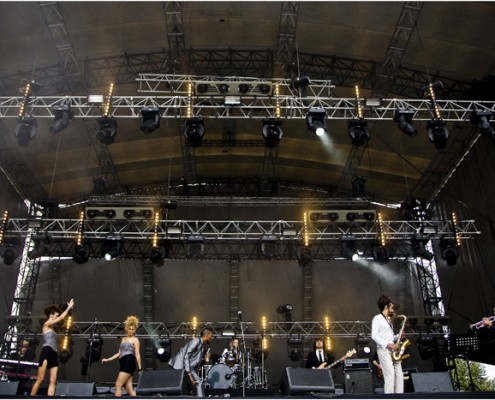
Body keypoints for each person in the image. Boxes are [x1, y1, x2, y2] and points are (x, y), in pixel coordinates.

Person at [30, 299, 75, 396]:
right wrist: (68, 308)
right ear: (51, 315)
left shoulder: (53, 328)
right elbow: (61, 318)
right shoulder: (46, 325)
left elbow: (61, 320)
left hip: (54, 353)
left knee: (53, 379)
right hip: (46, 351)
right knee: (40, 378)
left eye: (57, 315)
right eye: (55, 314)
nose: (56, 316)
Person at [101, 315, 142, 397]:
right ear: (127, 328)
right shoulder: (123, 339)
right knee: (129, 389)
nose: (131, 331)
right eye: (129, 329)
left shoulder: (135, 340)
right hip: (123, 363)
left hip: (129, 363)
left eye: (133, 329)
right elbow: (119, 353)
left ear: (135, 330)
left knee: (118, 385)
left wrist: (140, 369)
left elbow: (137, 354)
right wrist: (107, 359)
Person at [371, 294, 404, 394]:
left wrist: (398, 336)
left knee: (399, 374)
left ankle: (399, 396)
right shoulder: (377, 318)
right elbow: (374, 335)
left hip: (393, 350)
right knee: (390, 375)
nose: (393, 309)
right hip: (384, 350)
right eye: (392, 307)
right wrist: (389, 345)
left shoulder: (389, 321)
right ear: (386, 307)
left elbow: (389, 337)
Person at [168, 327, 214, 397]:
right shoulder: (196, 341)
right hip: (180, 365)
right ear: (207, 335)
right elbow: (186, 356)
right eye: (211, 335)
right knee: (179, 386)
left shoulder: (202, 346)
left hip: (187, 366)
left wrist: (205, 359)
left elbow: (197, 363)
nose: (212, 338)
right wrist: (190, 375)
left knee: (198, 382)